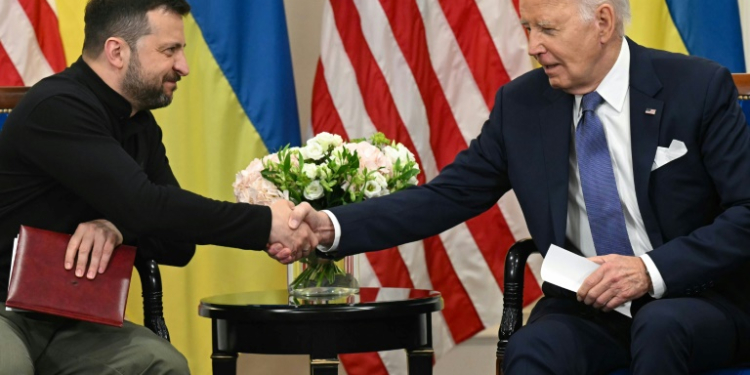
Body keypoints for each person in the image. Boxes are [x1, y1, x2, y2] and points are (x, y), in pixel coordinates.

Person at [282, 0, 750, 373]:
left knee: (660, 326)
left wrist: (648, 270)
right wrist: (330, 227)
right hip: (588, 310)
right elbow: (444, 197)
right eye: (527, 28)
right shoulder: (521, 106)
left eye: (547, 29)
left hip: (691, 300)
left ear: (603, 22)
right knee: (533, 350)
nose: (532, 46)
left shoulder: (696, 87)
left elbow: (746, 212)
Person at [0, 0, 315, 374]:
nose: (183, 66)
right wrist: (266, 223)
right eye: (170, 50)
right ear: (117, 51)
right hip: (6, 314)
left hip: (71, 318)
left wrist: (116, 227)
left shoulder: (141, 126)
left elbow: (177, 244)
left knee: (163, 364)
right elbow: (147, 206)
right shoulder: (57, 106)